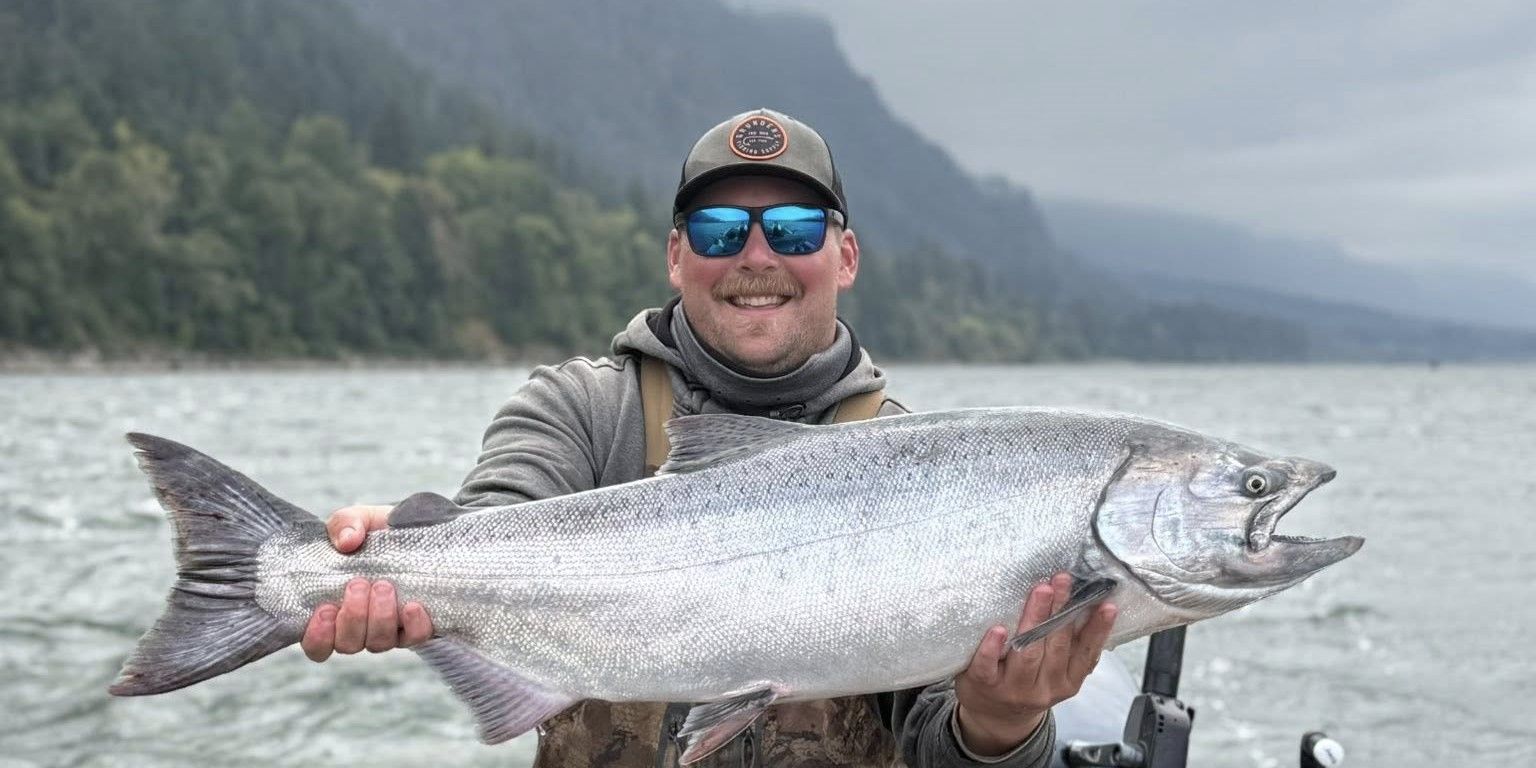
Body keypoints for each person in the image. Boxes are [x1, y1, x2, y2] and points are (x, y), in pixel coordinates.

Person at [299, 108, 1124, 767]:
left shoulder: (920, 470)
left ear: (845, 256)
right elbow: (501, 515)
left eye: (794, 230)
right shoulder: (580, 409)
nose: (756, 257)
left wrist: (1004, 722)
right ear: (675, 255)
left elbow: (940, 743)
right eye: (721, 229)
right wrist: (406, 559)